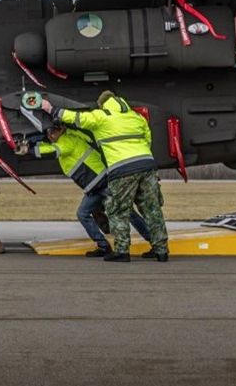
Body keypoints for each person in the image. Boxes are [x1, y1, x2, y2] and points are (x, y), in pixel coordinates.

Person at [41, 91, 169, 262]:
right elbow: (147, 139)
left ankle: (122, 252)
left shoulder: (102, 116)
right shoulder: (136, 117)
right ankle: (161, 251)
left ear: (102, 104)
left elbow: (78, 118)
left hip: (123, 169)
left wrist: (51, 109)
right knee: (152, 210)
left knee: (118, 211)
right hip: (146, 165)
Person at [18, 123, 153, 258]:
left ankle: (154, 243)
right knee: (83, 213)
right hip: (95, 187)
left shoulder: (68, 140)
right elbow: (47, 146)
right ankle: (103, 246)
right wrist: (29, 144)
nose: (50, 135)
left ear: (62, 129)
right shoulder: (64, 138)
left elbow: (52, 151)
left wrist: (28, 150)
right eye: (48, 132)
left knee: (128, 213)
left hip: (103, 184)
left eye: (53, 131)